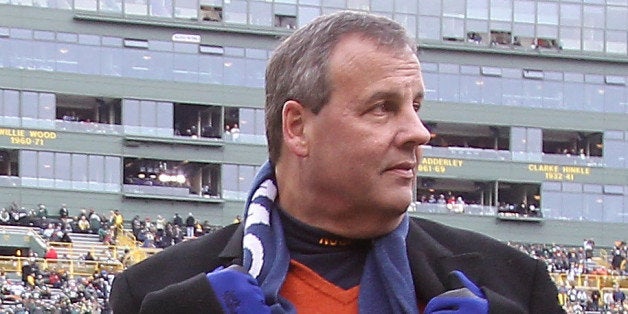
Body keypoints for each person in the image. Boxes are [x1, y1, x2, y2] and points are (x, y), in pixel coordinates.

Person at [110, 11, 563, 314]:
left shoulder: (513, 286)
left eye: (416, 107)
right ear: (298, 128)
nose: (419, 133)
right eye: (382, 107)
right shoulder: (157, 293)